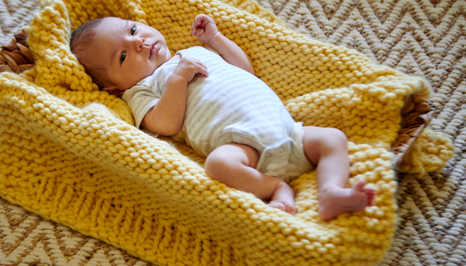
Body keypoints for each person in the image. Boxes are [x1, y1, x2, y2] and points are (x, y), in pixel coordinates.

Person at [69, 15, 375, 220]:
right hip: (243, 147)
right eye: (123, 56)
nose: (137, 42)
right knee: (218, 164)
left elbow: (245, 71)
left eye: (133, 30)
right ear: (113, 87)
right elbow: (164, 124)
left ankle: (331, 192)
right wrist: (177, 79)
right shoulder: (140, 91)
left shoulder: (189, 51)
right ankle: (273, 188)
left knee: (332, 138)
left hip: (288, 130)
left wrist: (215, 40)